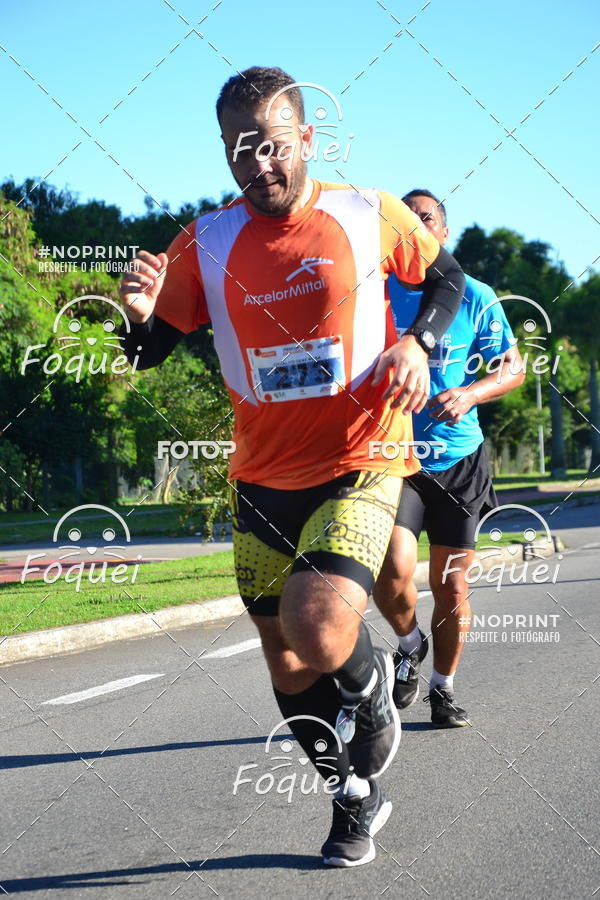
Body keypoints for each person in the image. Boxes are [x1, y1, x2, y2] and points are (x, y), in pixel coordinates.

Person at [119, 70, 465, 867]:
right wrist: (135, 321)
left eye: (271, 144)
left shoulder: (364, 212)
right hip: (265, 473)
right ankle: (354, 798)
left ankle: (373, 687)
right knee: (284, 657)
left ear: (307, 139)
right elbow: (143, 357)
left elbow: (442, 278)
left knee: (319, 623)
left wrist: (420, 343)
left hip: (363, 454)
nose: (257, 163)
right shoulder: (202, 244)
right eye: (239, 148)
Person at [374, 189, 524, 728]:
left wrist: (470, 394)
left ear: (443, 232)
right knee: (389, 570)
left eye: (425, 218)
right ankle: (409, 642)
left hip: (460, 460)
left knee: (452, 585)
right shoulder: (375, 295)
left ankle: (443, 688)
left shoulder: (476, 295)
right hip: (392, 456)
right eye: (404, 221)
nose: (414, 226)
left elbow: (513, 369)